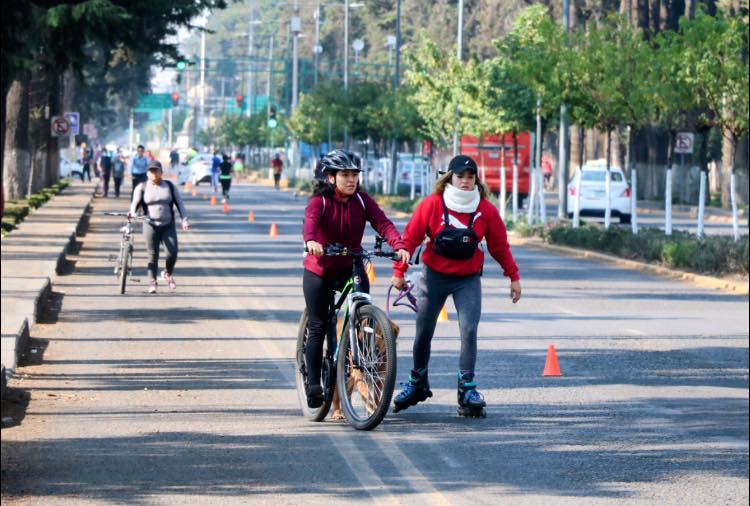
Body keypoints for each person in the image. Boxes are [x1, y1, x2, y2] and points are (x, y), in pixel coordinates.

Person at [390, 154, 522, 417]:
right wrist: (399, 271)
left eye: (470, 177)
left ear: (476, 180)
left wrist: (514, 276)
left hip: (467, 280)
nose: (465, 181)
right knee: (423, 333)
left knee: (469, 330)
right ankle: (417, 383)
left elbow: (499, 246)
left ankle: (467, 390)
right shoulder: (432, 205)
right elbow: (411, 239)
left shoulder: (486, 210)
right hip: (433, 277)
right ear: (449, 177)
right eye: (460, 176)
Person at [302, 149, 410, 408]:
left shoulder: (362, 201)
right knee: (319, 325)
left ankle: (361, 361)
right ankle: (314, 383)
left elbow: (383, 224)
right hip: (320, 269)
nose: (351, 180)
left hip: (351, 264)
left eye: (354, 175)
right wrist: (312, 241)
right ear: (331, 178)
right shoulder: (321, 202)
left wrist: (400, 245)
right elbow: (311, 223)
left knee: (363, 309)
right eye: (345, 175)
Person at [129, 160, 190, 294]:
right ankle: (152, 281)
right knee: (153, 255)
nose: (154, 173)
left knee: (172, 253)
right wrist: (132, 213)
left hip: (168, 225)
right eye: (151, 171)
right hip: (150, 225)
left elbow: (180, 204)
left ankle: (167, 273)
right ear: (147, 173)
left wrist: (184, 220)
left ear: (161, 172)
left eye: (156, 170)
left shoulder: (169, 186)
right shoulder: (142, 187)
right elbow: (134, 204)